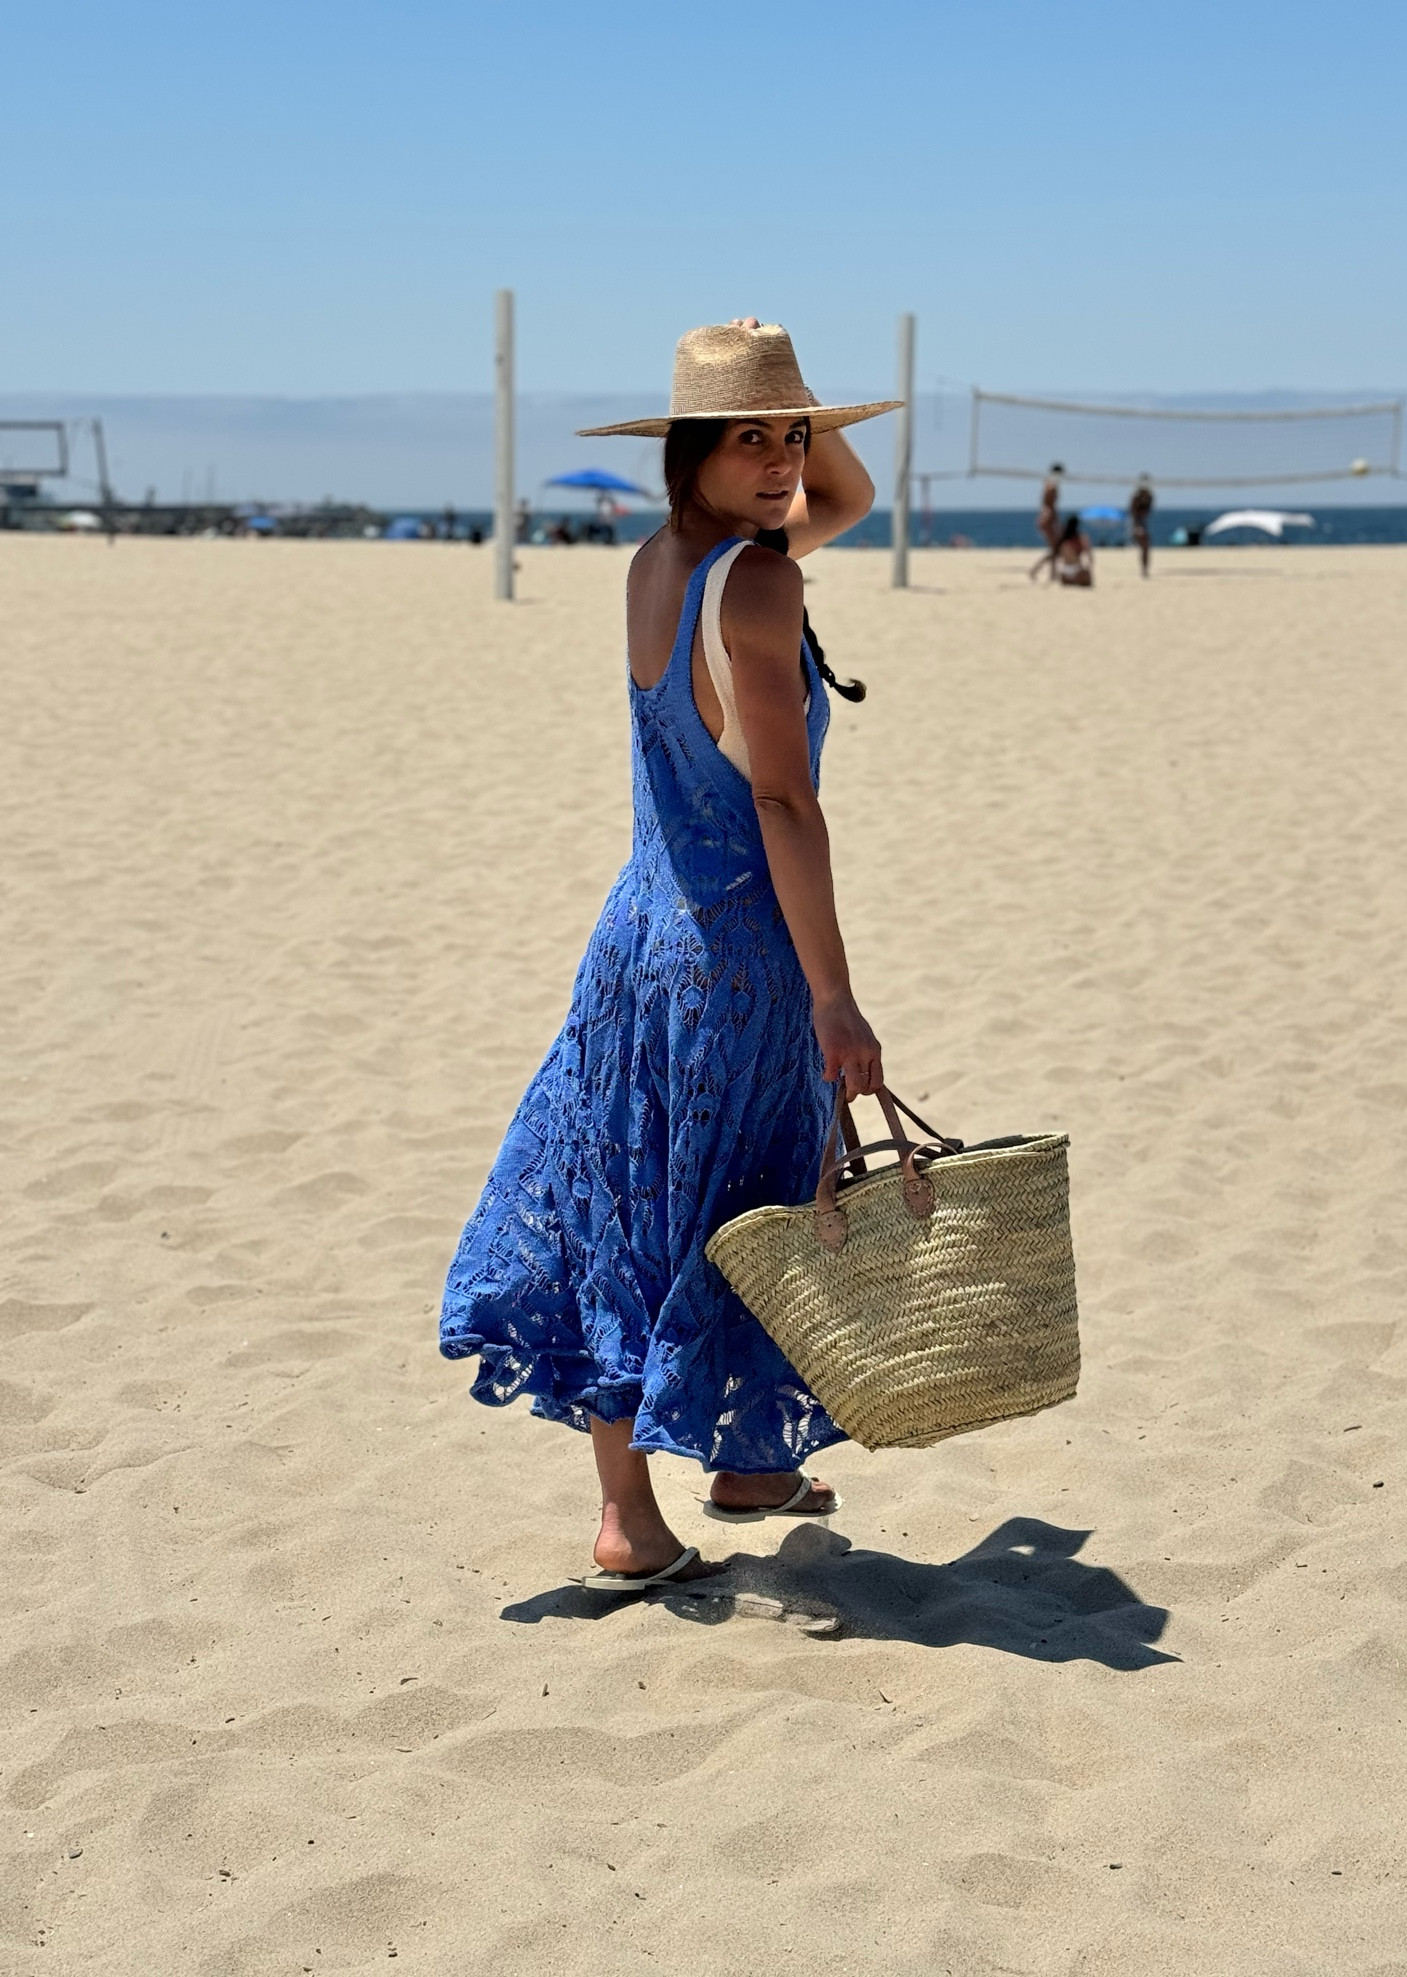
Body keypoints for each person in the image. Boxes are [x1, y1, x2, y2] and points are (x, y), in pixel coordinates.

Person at [439, 320, 899, 1593]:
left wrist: (800, 417)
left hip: (636, 939)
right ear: (692, 446)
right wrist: (837, 997)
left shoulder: (661, 564)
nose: (784, 461)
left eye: (790, 435)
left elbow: (841, 497)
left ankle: (684, 1495)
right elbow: (786, 807)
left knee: (638, 1206)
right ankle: (707, 1482)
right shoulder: (757, 584)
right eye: (749, 434)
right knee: (749, 1204)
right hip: (738, 958)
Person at [1028, 464, 1065, 580]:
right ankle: (1037, 570)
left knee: (1055, 549)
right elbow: (1050, 505)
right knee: (1055, 548)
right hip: (1048, 518)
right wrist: (1057, 522)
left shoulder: (1049, 483)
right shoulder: (1051, 484)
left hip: (1047, 517)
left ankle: (1051, 573)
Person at [1052, 512, 1093, 587]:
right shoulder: (1081, 538)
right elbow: (1089, 556)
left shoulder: (1062, 540)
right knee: (1087, 582)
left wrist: (1054, 573)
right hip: (1078, 570)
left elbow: (1054, 557)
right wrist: (1087, 569)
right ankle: (1076, 579)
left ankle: (1072, 580)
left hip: (1064, 571)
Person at [1129, 475, 1154, 578]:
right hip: (1137, 523)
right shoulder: (1136, 498)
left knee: (1145, 548)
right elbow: (1134, 513)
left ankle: (1144, 569)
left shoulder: (1149, 497)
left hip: (1141, 523)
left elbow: (1146, 512)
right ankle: (1144, 569)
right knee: (1144, 547)